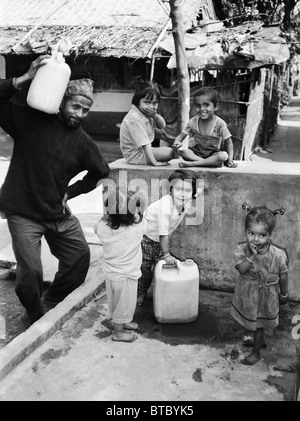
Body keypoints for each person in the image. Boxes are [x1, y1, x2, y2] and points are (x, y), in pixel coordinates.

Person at [0, 55, 110, 326]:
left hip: (57, 212)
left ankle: (51, 302)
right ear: (62, 101)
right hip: (22, 211)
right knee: (31, 273)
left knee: (79, 257)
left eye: (85, 111)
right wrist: (23, 79)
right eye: (75, 107)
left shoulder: (83, 142)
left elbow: (101, 172)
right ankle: (35, 315)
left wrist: (70, 193)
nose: (79, 115)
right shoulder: (30, 120)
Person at [231, 203, 289, 366]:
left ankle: (256, 353)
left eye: (262, 235)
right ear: (246, 232)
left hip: (266, 297)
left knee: (259, 325)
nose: (256, 239)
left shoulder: (278, 255)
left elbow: (283, 275)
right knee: (251, 321)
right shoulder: (241, 249)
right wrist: (250, 257)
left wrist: (284, 294)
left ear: (270, 235)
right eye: (251, 233)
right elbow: (242, 270)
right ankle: (259, 341)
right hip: (248, 294)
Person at [94, 189, 148, 342]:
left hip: (111, 275)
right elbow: (143, 220)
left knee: (116, 302)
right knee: (124, 304)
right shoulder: (136, 230)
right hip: (126, 276)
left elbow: (97, 226)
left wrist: (107, 218)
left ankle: (123, 321)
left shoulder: (103, 229)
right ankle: (118, 332)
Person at [138, 169, 198, 305]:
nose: (183, 194)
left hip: (159, 240)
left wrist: (196, 190)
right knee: (145, 268)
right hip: (145, 237)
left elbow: (196, 191)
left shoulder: (187, 202)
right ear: (170, 190)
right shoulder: (166, 206)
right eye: (178, 189)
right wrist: (166, 254)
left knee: (164, 268)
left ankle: (163, 294)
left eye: (187, 191)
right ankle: (140, 294)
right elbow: (163, 234)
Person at [173, 87, 237, 168]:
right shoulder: (193, 122)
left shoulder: (220, 124)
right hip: (196, 153)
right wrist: (176, 143)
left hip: (213, 154)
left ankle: (194, 164)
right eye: (198, 106)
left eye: (206, 105)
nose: (202, 109)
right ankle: (207, 163)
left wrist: (230, 160)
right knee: (182, 151)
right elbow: (180, 137)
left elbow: (229, 142)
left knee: (223, 156)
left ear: (215, 107)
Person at [120, 78, 175, 166]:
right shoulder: (135, 118)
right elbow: (145, 143)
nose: (151, 106)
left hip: (142, 151)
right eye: (147, 102)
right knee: (169, 153)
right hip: (135, 155)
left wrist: (155, 116)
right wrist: (155, 162)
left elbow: (162, 126)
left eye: (154, 103)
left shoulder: (146, 113)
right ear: (138, 101)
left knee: (171, 152)